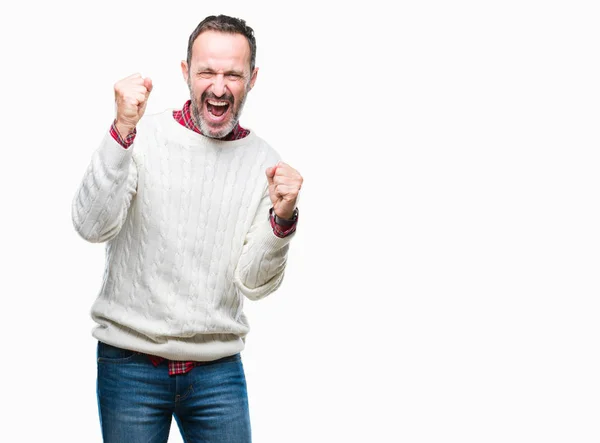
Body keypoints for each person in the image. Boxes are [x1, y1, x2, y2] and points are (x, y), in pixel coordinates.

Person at [71, 14, 302, 443]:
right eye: (207, 72)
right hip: (130, 366)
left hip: (217, 372)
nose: (219, 87)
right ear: (186, 73)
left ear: (252, 79)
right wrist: (122, 130)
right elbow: (90, 225)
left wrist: (282, 219)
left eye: (232, 74)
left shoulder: (264, 163)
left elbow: (253, 284)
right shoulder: (142, 137)